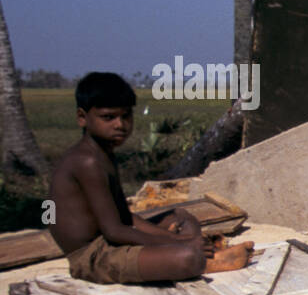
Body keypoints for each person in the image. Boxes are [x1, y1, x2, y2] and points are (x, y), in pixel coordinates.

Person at [49, 72, 253, 283]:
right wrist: (180, 243)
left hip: (109, 239)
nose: (120, 124)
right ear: (82, 118)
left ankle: (193, 252)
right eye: (108, 117)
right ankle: (204, 260)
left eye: (126, 116)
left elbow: (125, 217)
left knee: (181, 216)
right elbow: (115, 231)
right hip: (93, 257)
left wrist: (177, 237)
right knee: (187, 258)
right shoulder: (87, 161)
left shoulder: (102, 154)